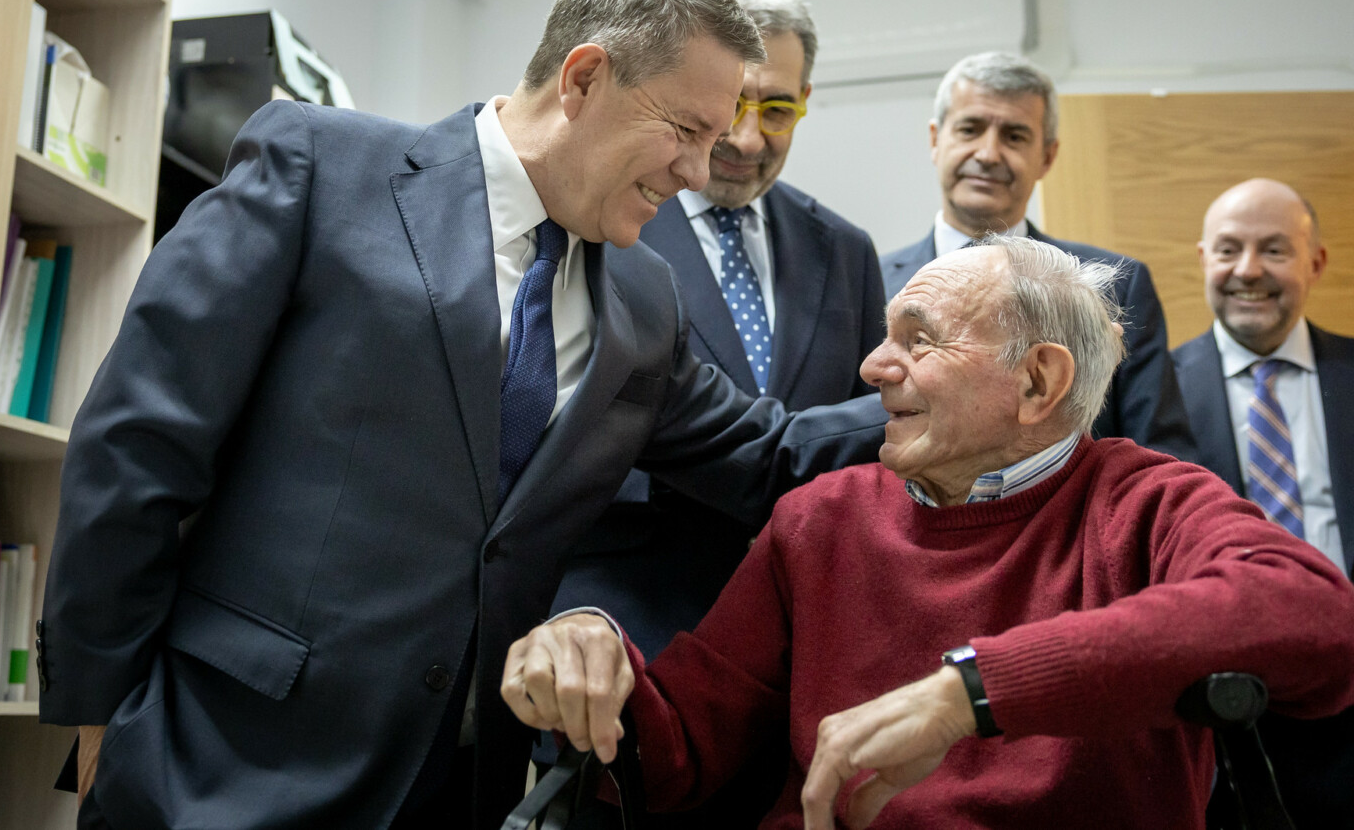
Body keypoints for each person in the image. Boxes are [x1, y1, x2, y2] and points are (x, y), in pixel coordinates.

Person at [35, 0, 889, 830]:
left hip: (458, 787)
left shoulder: (644, 303)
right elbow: (138, 445)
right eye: (685, 131)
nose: (698, 171)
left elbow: (766, 454)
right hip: (222, 759)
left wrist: (959, 389)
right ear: (585, 78)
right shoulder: (322, 169)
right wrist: (99, 713)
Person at [504, 237, 1354, 830]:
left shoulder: (1146, 503)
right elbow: (677, 748)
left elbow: (1315, 615)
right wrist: (590, 655)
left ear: (1036, 381)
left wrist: (970, 696)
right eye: (883, 337)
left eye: (919, 340)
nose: (874, 368)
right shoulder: (821, 518)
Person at [549, 0, 884, 826]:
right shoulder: (607, 214)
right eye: (731, 104)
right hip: (631, 631)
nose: (743, 137)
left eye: (777, 110)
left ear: (806, 103)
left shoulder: (844, 251)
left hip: (802, 655)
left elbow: (857, 457)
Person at [878, 52, 1195, 458]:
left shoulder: (1115, 287)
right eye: (970, 129)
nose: (988, 154)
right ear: (936, 139)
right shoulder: (868, 281)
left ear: (1047, 156)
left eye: (1014, 136)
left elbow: (1158, 453)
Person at [1173, 177, 1354, 829]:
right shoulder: (1151, 397)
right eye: (1228, 250)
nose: (1248, 271)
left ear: (1316, 261)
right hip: (1225, 715)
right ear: (1203, 260)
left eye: (1274, 250)